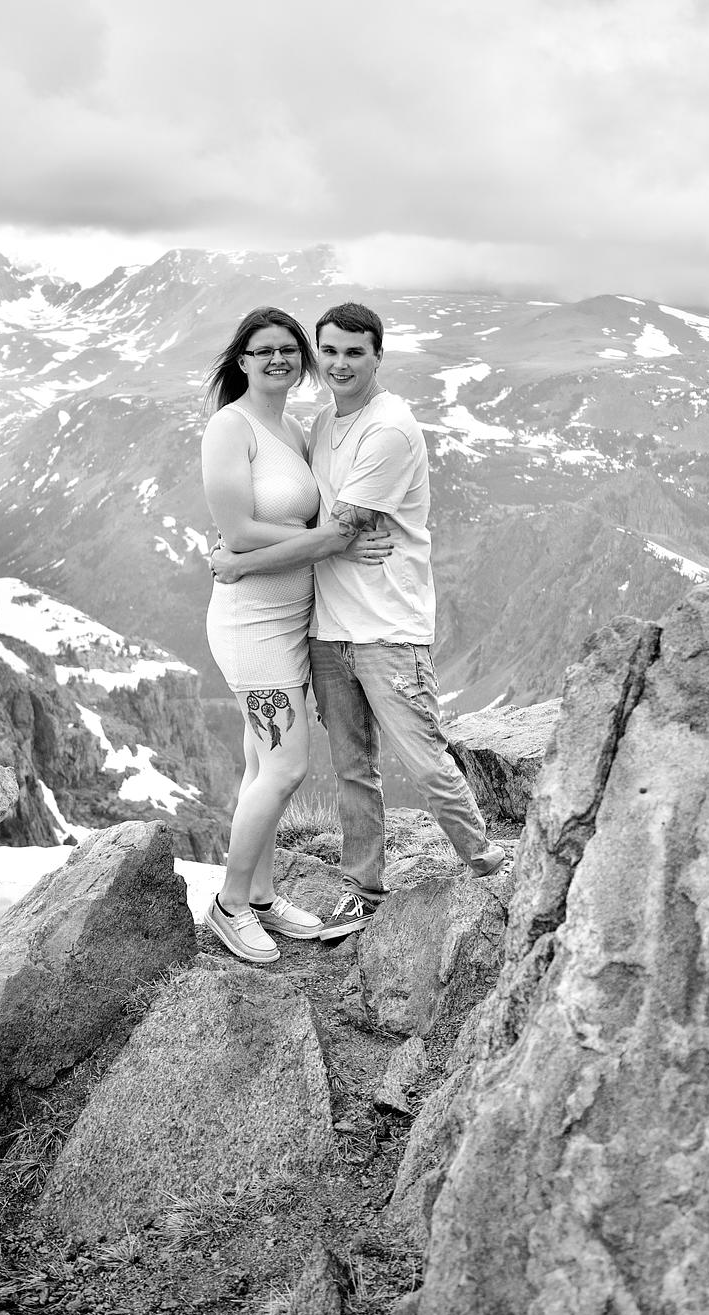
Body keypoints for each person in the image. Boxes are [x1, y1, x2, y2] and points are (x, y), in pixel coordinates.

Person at [211, 301, 505, 942]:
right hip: (313, 628)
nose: (339, 364)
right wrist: (240, 551)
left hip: (384, 628)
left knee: (422, 761)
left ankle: (489, 867)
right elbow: (312, 529)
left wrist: (238, 559)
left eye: (354, 352)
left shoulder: (385, 429)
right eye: (330, 351)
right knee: (341, 770)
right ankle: (345, 892)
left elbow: (337, 530)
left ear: (377, 356)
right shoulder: (307, 425)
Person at [201, 306, 390, 964]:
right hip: (252, 623)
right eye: (264, 350)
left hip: (291, 618)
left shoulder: (292, 426)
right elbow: (239, 531)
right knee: (285, 766)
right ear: (243, 360)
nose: (278, 358)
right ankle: (228, 905)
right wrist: (335, 542)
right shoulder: (230, 427)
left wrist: (327, 543)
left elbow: (284, 530)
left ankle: (259, 896)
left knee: (262, 764)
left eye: (289, 348)